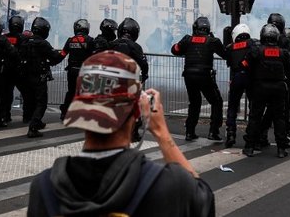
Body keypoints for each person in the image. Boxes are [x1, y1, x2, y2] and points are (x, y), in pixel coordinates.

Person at [27, 51, 215, 216]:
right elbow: (203, 203)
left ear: (79, 108)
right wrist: (161, 131)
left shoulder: (44, 189)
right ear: (136, 111)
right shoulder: (167, 185)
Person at [242, 24, 290, 158]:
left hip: (260, 87)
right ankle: (281, 149)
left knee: (255, 117)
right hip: (278, 88)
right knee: (279, 119)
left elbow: (245, 66)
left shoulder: (256, 51)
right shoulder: (283, 53)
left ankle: (249, 147)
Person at [171, 16, 227, 141]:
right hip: (204, 75)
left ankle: (190, 132)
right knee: (216, 102)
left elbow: (175, 50)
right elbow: (225, 54)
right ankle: (213, 132)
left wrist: (180, 44)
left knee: (194, 103)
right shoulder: (212, 41)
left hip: (189, 76)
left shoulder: (187, 39)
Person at [22, 17, 65, 137]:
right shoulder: (42, 43)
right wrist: (65, 51)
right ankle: (33, 127)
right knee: (41, 102)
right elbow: (55, 57)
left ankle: (36, 121)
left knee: (30, 101)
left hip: (25, 76)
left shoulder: (25, 41)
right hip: (38, 77)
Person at [109, 17, 149, 142]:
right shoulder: (135, 46)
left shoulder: (112, 44)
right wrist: (145, 75)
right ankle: (133, 133)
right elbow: (144, 64)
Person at [224, 23, 255, 148]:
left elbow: (229, 62)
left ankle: (231, 134)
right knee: (253, 108)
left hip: (236, 78)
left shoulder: (230, 48)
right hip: (251, 77)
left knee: (232, 107)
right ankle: (252, 135)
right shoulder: (252, 44)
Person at [60, 19, 96, 121]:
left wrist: (51, 61)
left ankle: (64, 113)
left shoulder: (70, 40)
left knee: (71, 92)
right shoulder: (90, 40)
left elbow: (62, 54)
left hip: (71, 71)